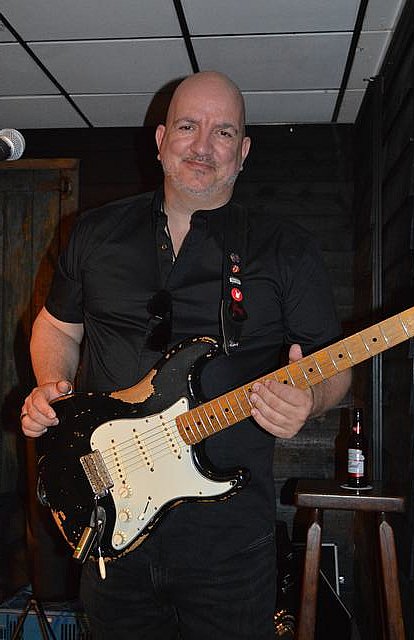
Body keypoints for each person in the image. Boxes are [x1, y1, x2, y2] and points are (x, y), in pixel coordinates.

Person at [21, 71, 351, 639]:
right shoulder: (94, 233)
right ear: (160, 140)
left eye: (223, 132)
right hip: (112, 524)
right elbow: (56, 328)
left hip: (229, 542)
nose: (203, 146)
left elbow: (335, 365)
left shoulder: (286, 248)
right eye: (187, 127)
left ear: (243, 152)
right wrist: (54, 386)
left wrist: (312, 398)